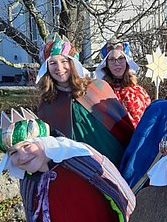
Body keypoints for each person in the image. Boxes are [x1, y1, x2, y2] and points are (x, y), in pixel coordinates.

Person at [0, 108, 135, 222]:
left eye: (26, 145)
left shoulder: (83, 160)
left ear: (44, 140)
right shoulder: (29, 182)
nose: (22, 156)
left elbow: (120, 197)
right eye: (13, 153)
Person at [35, 34, 134, 167]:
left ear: (73, 63)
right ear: (46, 68)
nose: (59, 68)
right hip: (79, 169)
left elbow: (122, 125)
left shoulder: (98, 87)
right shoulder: (47, 104)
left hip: (113, 159)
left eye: (64, 61)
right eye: (52, 63)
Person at [95, 42, 151, 127]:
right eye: (112, 59)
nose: (117, 63)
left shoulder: (139, 92)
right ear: (106, 64)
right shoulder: (102, 92)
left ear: (127, 61)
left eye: (121, 58)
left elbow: (148, 121)